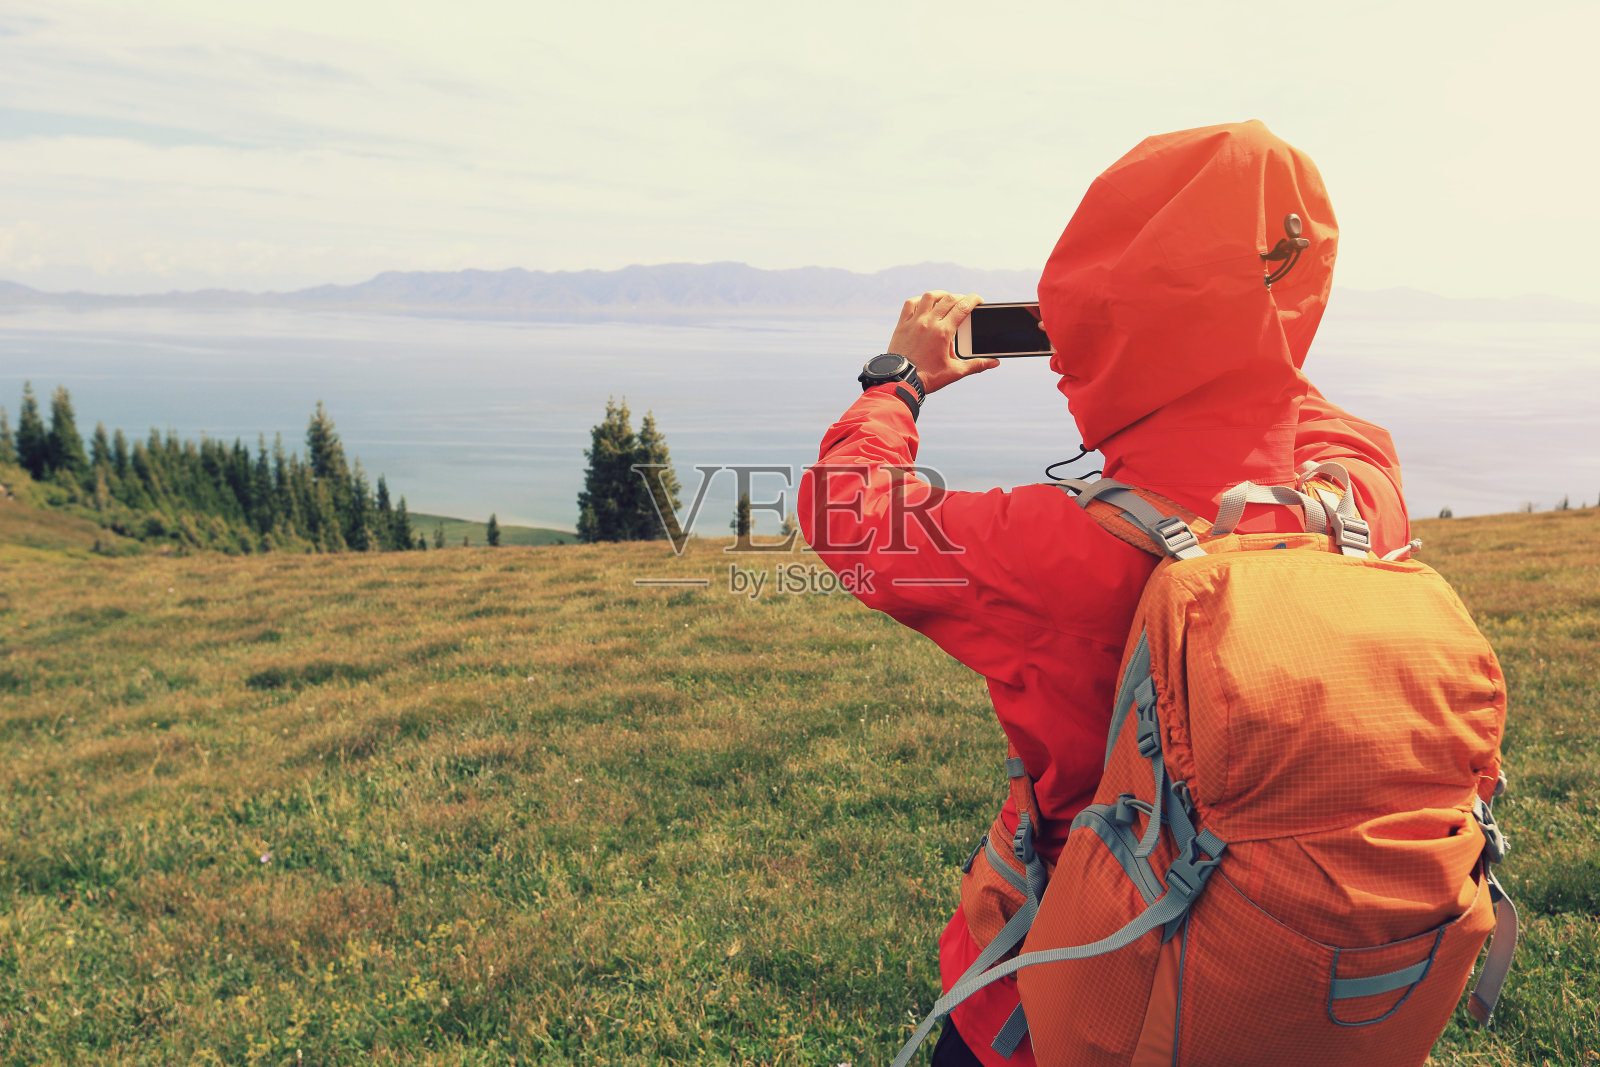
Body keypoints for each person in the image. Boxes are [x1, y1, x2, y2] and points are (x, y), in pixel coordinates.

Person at [797, 120, 1412, 1066]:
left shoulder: (1055, 548)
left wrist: (902, 380)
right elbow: (1310, 409)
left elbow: (848, 519)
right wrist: (1254, 317)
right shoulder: (1359, 498)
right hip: (1291, 996)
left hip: (1061, 999)